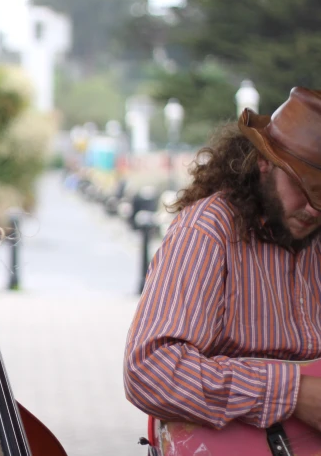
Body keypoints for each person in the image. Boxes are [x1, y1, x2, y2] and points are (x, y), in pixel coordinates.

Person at [124, 86, 321, 433]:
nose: (313, 209)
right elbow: (149, 371)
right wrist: (293, 393)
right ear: (265, 163)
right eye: (303, 187)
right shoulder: (206, 232)